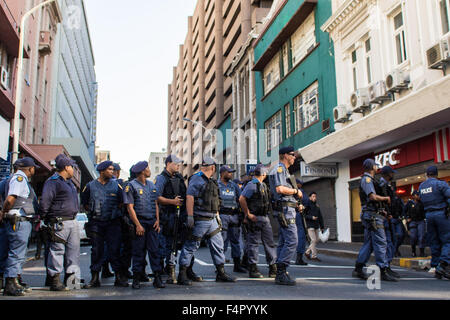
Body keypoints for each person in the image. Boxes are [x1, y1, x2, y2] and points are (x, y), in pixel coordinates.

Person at [177, 157, 236, 285]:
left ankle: (221, 273)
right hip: (200, 219)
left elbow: (216, 201)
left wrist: (218, 217)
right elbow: (190, 197)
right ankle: (182, 275)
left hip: (212, 219)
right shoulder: (197, 178)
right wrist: (190, 216)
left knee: (218, 245)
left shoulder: (212, 181)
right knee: (191, 245)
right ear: (213, 168)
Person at [81, 161, 129, 288]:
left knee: (114, 250)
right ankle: (95, 278)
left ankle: (118, 277)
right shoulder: (90, 186)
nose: (112, 172)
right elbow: (85, 203)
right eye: (109, 169)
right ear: (101, 171)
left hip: (113, 223)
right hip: (96, 223)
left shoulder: (117, 186)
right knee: (96, 250)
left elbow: (122, 202)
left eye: (113, 169)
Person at [155, 155, 201, 284]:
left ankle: (187, 271)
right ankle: (170, 273)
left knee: (188, 243)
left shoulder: (179, 178)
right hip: (168, 216)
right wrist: (172, 201)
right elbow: (157, 197)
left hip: (181, 216)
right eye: (176, 163)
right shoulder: (161, 178)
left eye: (179, 164)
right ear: (168, 163)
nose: (178, 166)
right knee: (170, 245)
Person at [40, 154, 81, 291]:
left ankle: (71, 281)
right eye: (72, 167)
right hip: (59, 222)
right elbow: (45, 202)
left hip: (72, 220)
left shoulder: (69, 183)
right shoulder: (53, 182)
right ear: (66, 167)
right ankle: (55, 280)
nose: (73, 169)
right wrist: (45, 219)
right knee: (57, 251)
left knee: (73, 253)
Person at [352, 159, 397, 282]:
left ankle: (359, 267)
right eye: (376, 165)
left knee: (370, 243)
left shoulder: (370, 180)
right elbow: (372, 196)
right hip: (372, 216)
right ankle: (382, 270)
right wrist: (385, 198)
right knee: (381, 242)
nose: (377, 167)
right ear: (372, 167)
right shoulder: (367, 180)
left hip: (371, 215)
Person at [0, 158, 39, 296]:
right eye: (34, 168)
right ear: (29, 168)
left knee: (14, 252)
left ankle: (12, 280)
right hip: (19, 220)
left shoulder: (13, 178)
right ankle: (10, 283)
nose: (34, 170)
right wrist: (4, 211)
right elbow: (10, 199)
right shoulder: (19, 179)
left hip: (17, 220)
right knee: (16, 253)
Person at [123, 161, 165, 289]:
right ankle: (136, 278)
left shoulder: (151, 185)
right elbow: (130, 207)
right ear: (142, 171)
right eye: (147, 168)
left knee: (155, 251)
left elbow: (155, 203)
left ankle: (157, 278)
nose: (149, 169)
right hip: (140, 223)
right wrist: (137, 225)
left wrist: (157, 220)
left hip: (152, 222)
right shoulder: (131, 186)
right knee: (138, 251)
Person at [268, 146, 302, 286]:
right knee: (292, 240)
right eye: (292, 154)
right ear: (284, 155)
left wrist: (296, 203)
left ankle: (279, 271)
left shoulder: (285, 170)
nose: (294, 157)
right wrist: (295, 191)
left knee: (283, 241)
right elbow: (280, 189)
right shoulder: (280, 169)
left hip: (288, 208)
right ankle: (281, 272)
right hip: (285, 210)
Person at [239, 164, 277, 278]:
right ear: (264, 174)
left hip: (264, 217)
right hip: (255, 217)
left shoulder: (263, 185)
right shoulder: (252, 185)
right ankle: (253, 268)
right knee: (254, 243)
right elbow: (242, 199)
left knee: (269, 242)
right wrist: (248, 214)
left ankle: (272, 267)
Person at [418, 166, 450, 280]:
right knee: (447, 240)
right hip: (441, 214)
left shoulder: (421, 186)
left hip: (429, 216)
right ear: (437, 174)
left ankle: (436, 266)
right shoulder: (440, 184)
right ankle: (443, 264)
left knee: (434, 241)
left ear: (427, 174)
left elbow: (421, 200)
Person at [218, 165, 246, 273]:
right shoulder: (216, 185)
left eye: (231, 172)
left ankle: (237, 265)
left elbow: (241, 199)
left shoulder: (234, 186)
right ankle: (220, 266)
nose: (231, 174)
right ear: (222, 173)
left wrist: (242, 215)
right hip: (222, 215)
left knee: (235, 241)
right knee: (222, 241)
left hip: (234, 216)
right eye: (228, 172)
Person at [378, 166, 401, 278]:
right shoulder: (382, 185)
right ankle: (385, 267)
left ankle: (387, 266)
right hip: (385, 218)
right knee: (387, 243)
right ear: (387, 174)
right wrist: (387, 213)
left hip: (389, 217)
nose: (393, 175)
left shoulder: (387, 185)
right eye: (392, 173)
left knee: (391, 241)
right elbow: (382, 202)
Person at [304, 192, 325, 262]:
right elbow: (304, 215)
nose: (314, 198)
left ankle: (307, 252)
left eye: (315, 196)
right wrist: (311, 217)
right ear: (310, 197)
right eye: (313, 196)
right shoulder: (307, 205)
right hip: (310, 225)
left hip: (316, 225)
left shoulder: (317, 205)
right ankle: (314, 256)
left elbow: (320, 216)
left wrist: (322, 226)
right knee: (313, 240)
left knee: (317, 240)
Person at [404, 190, 426, 257]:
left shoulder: (422, 203)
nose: (418, 196)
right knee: (413, 237)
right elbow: (404, 211)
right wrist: (407, 218)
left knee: (421, 236)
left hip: (420, 221)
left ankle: (422, 251)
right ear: (413, 196)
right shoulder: (409, 203)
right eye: (417, 195)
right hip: (412, 221)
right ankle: (413, 251)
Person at [295, 179, 309, 266]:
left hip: (288, 214)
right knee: (302, 235)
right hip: (298, 214)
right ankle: (299, 258)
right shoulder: (299, 191)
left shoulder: (289, 189)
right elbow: (306, 201)